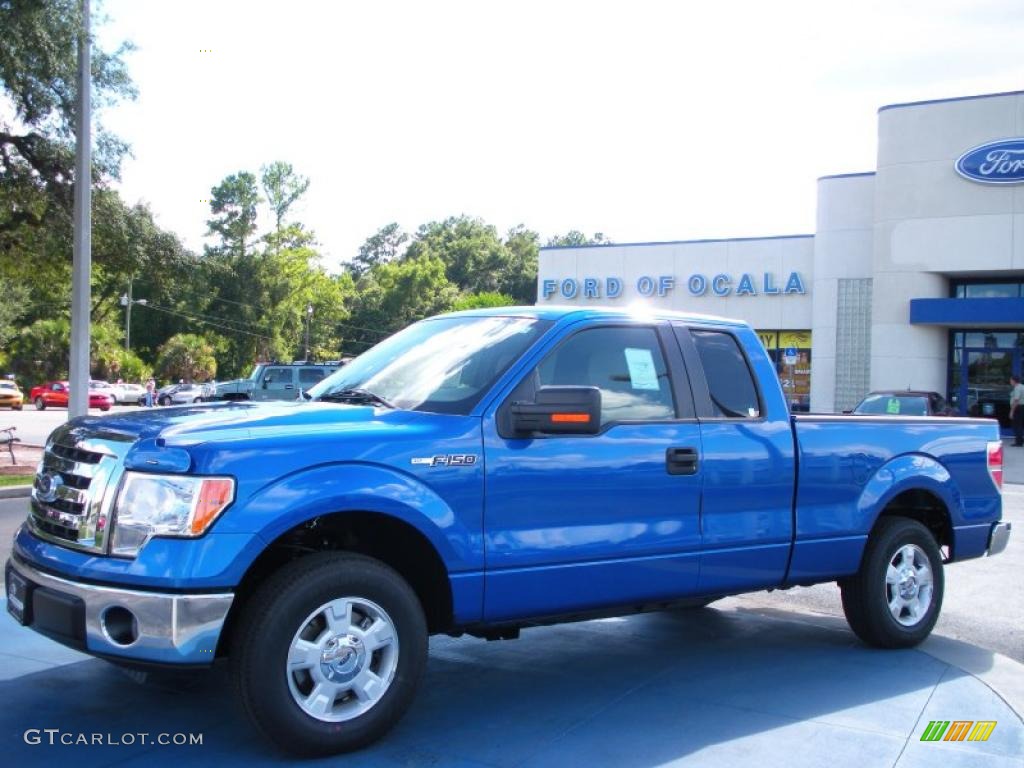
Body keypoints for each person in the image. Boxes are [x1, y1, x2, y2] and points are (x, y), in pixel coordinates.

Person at [1011, 374, 1024, 447]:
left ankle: (1018, 442)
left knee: (1017, 425)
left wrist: (1012, 411)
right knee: (1020, 424)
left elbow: (1016, 400)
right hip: (1022, 407)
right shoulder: (1022, 386)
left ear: (1014, 381)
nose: (1010, 382)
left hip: (1018, 408)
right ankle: (1020, 440)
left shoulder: (1017, 388)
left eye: (1011, 380)